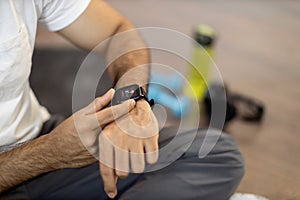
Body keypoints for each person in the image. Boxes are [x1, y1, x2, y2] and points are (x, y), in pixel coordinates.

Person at [0, 0, 244, 199]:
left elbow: (117, 31)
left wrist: (131, 105)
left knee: (217, 155)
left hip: (38, 136)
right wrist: (50, 153)